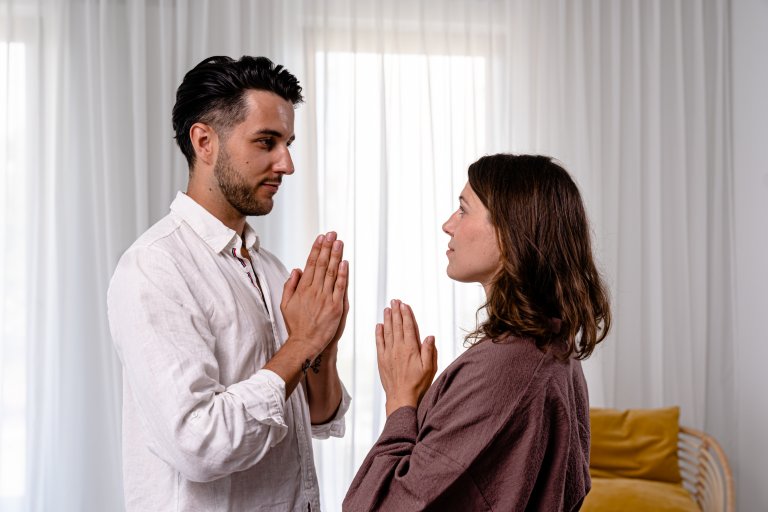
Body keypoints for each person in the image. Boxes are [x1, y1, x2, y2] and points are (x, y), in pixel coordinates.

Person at [107, 55, 351, 511]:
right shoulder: (154, 268)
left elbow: (316, 417)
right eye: (267, 142)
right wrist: (302, 343)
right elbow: (198, 445)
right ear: (204, 142)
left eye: (288, 143)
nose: (287, 164)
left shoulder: (271, 269)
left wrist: (324, 343)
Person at [343, 154, 612, 511]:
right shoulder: (552, 351)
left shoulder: (505, 368)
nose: (447, 225)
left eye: (463, 210)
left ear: (511, 231)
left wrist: (401, 402)